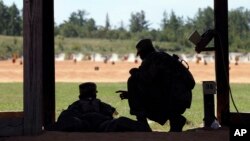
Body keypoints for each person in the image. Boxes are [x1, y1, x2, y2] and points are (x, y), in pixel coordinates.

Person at [116, 39, 195, 132]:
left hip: (171, 100)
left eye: (140, 54)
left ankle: (143, 124)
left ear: (143, 52)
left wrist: (133, 91)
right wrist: (132, 94)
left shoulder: (150, 59)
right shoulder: (165, 57)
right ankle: (175, 119)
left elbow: (147, 81)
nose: (140, 57)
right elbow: (157, 85)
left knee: (133, 79)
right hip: (182, 99)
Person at [51, 82, 151, 132]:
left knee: (120, 121)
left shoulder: (77, 104)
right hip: (97, 125)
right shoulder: (100, 104)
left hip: (90, 125)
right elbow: (113, 114)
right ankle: (143, 128)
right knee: (121, 121)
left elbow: (66, 115)